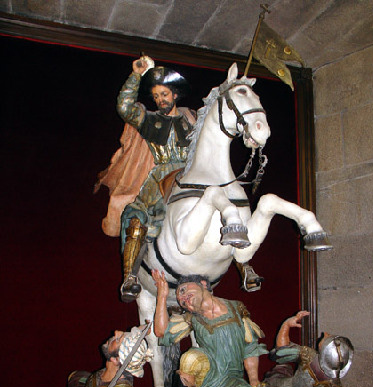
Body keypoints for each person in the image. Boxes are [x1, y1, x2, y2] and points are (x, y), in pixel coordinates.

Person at [95, 57, 264, 302]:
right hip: (161, 178)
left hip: (194, 174)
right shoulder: (149, 120)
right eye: (156, 96)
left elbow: (221, 124)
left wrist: (247, 128)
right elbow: (124, 107)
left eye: (164, 94)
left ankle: (245, 265)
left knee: (229, 205)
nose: (160, 100)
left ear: (175, 95)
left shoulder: (193, 119)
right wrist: (136, 75)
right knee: (135, 217)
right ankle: (130, 276)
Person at [152, 270, 268, 387]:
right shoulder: (191, 318)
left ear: (203, 284)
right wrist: (162, 296)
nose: (183, 298)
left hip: (232, 379)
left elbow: (250, 346)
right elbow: (161, 332)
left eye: (184, 290)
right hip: (207, 374)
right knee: (191, 358)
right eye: (181, 301)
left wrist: (254, 381)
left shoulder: (236, 308)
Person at [256, 311, 359, 387]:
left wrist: (286, 326)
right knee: (282, 368)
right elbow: (281, 352)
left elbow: (281, 351)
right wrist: (286, 325)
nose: (326, 334)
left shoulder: (311, 359)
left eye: (328, 338)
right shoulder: (332, 383)